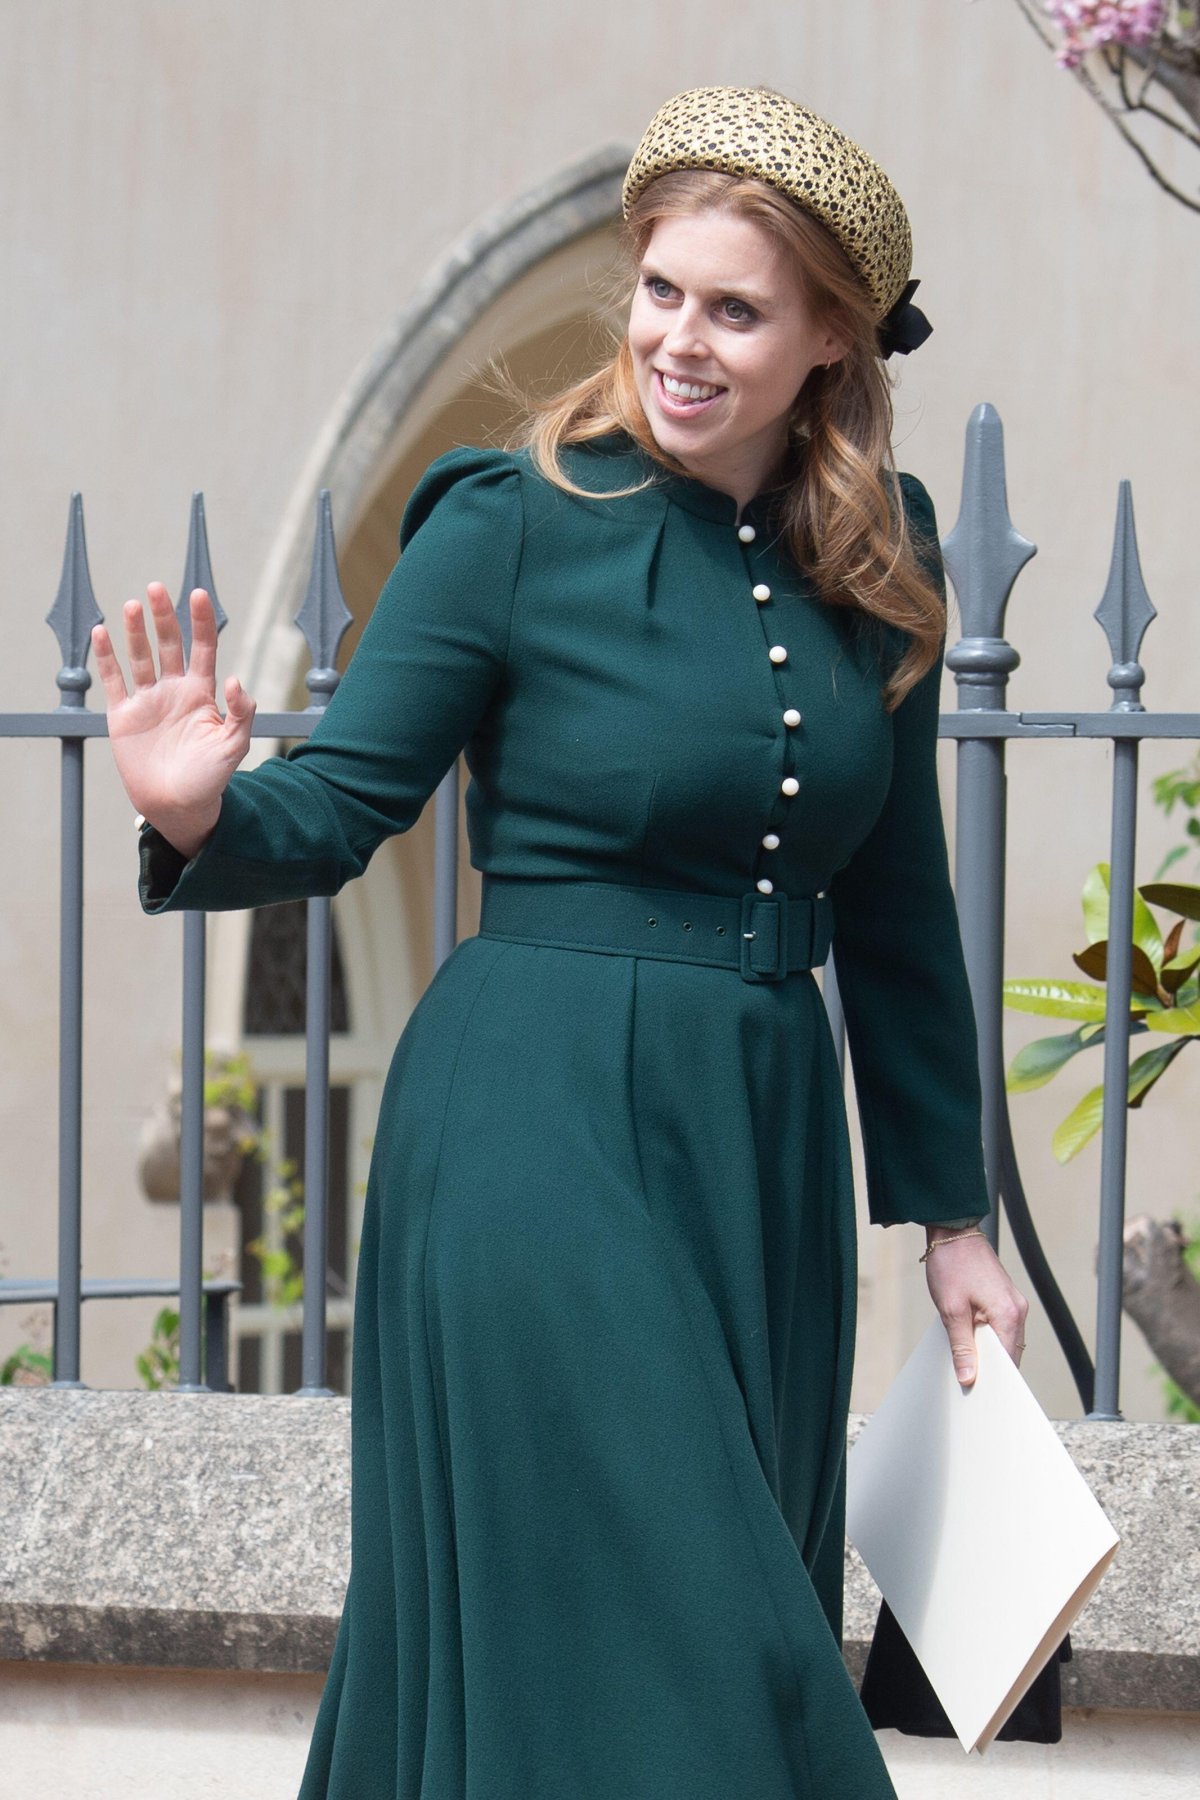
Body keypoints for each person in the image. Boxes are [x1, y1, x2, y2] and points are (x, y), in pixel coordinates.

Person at [93, 84, 1028, 1800]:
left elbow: (898, 910)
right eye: (660, 290)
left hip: (759, 1148)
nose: (679, 340)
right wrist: (201, 814)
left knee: (681, 1645)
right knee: (710, 1653)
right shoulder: (508, 521)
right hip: (533, 1134)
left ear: (831, 336)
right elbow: (343, 807)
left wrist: (954, 1219)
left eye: (735, 310)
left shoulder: (881, 556)